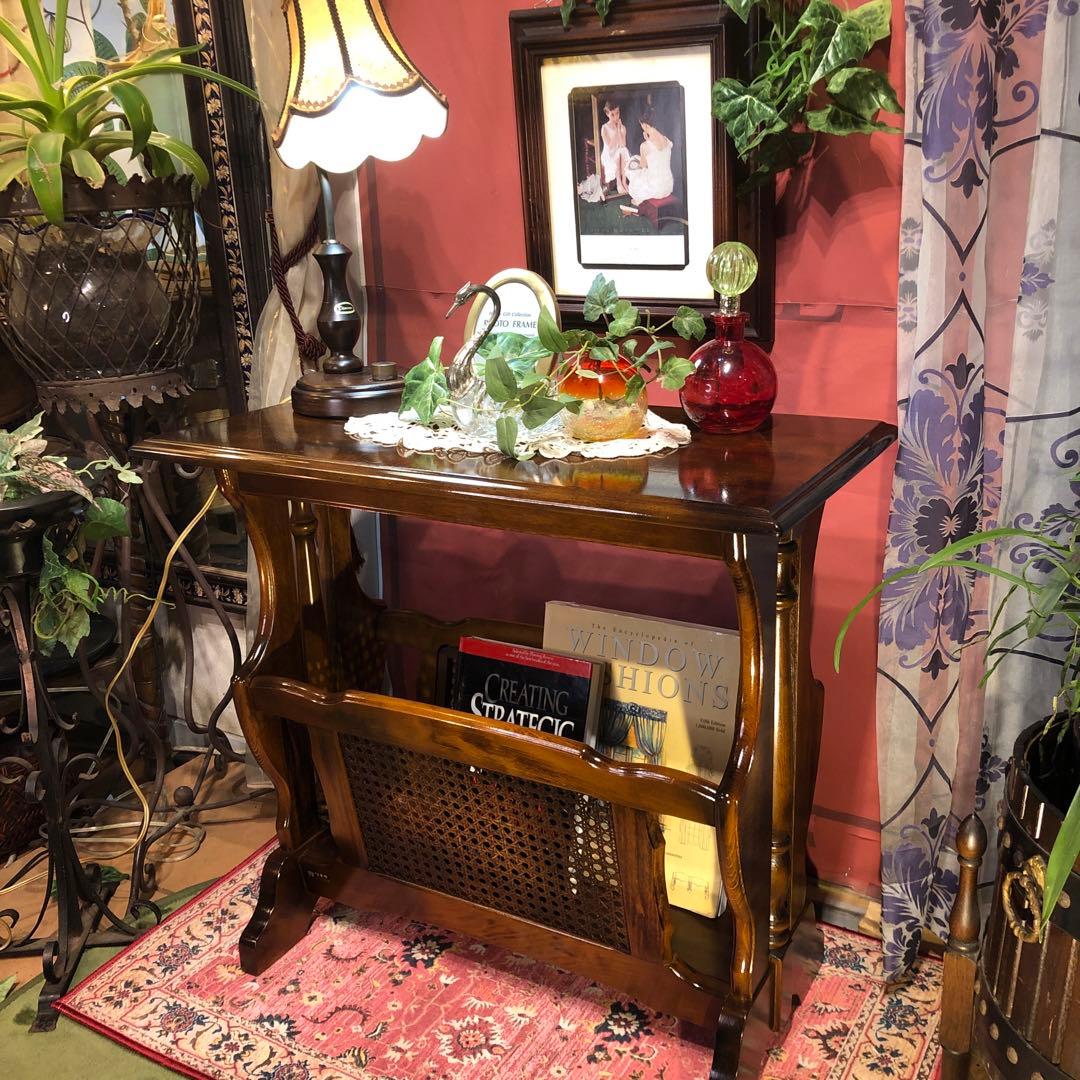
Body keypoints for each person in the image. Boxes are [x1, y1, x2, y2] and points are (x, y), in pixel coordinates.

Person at [619, 110, 675, 215]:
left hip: (657, 189)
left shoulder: (644, 146)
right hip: (668, 186)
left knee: (633, 164)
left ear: (644, 125)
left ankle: (639, 198)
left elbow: (643, 166)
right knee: (639, 161)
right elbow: (658, 156)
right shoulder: (667, 140)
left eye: (641, 125)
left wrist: (646, 143)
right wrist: (648, 140)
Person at [599, 101, 628, 196]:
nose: (616, 117)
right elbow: (610, 146)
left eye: (617, 113)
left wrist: (619, 129)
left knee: (622, 150)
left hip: (620, 153)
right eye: (612, 114)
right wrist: (615, 131)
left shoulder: (622, 127)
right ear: (607, 114)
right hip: (608, 154)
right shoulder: (604, 128)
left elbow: (623, 144)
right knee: (618, 152)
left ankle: (624, 182)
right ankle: (619, 183)